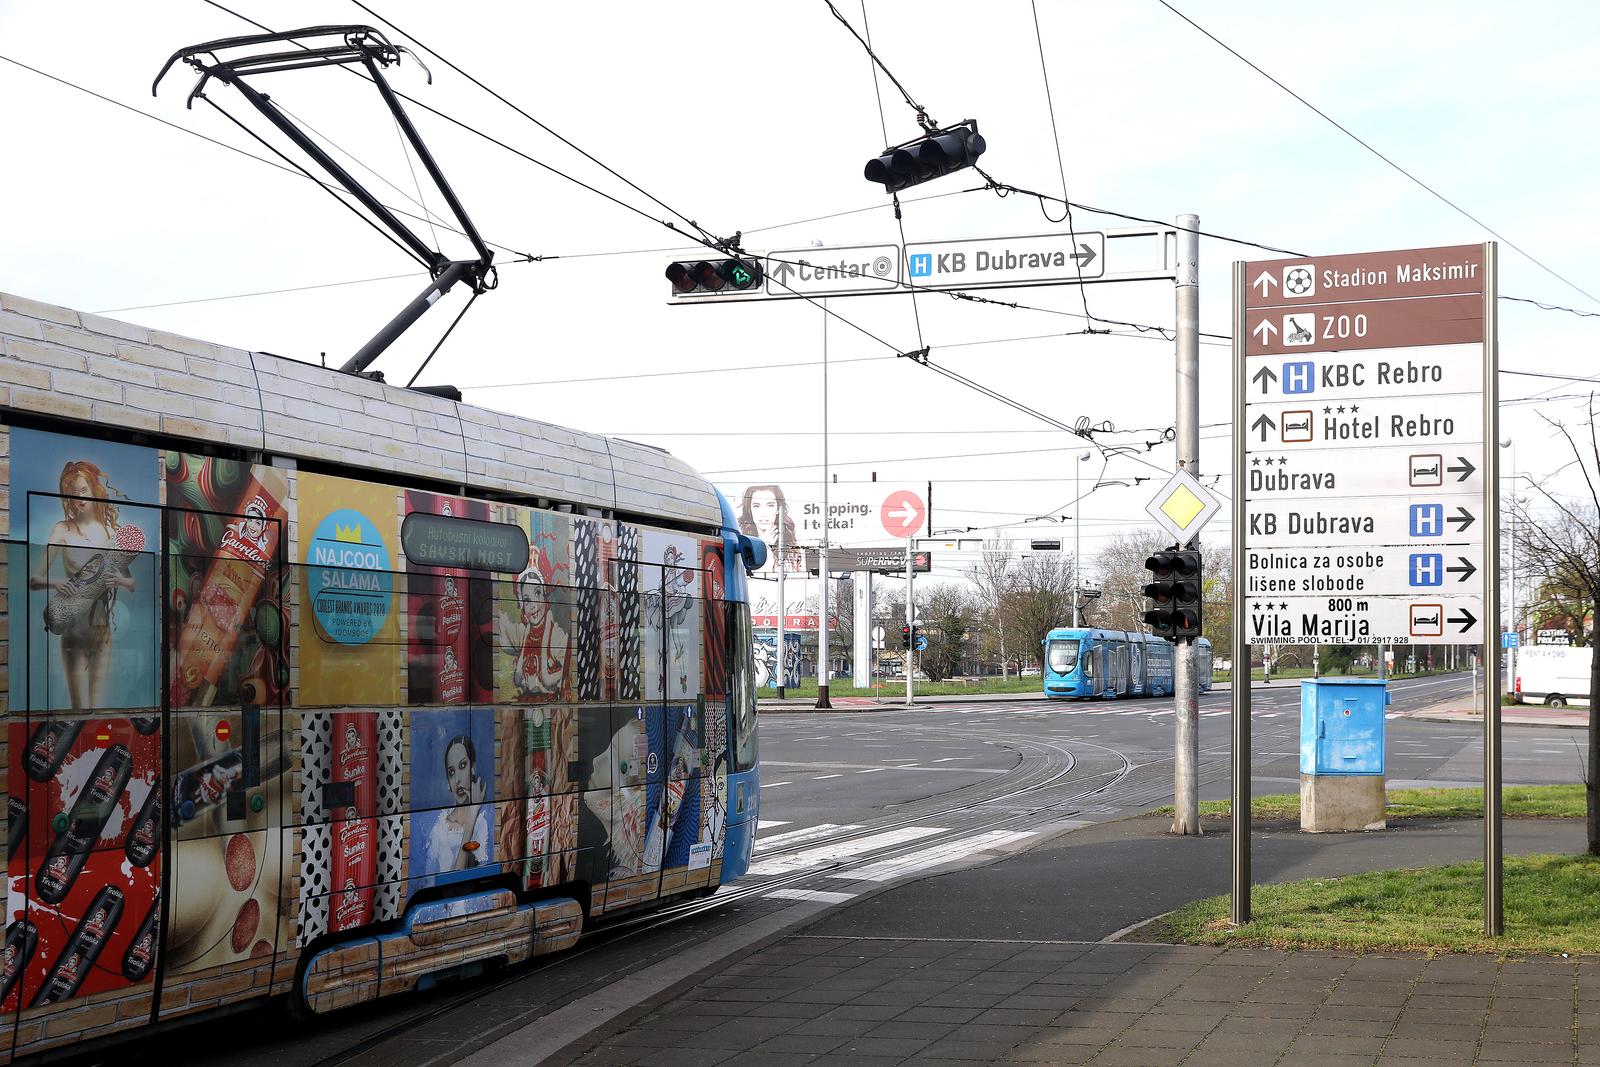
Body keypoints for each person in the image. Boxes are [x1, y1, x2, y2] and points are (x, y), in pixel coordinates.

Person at [29, 461, 136, 711]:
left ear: (94, 489)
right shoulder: (62, 529)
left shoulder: (109, 532)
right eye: (74, 493)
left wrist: (118, 580)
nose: (80, 498)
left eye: (84, 490)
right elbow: (34, 580)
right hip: (73, 630)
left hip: (101, 630)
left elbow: (131, 582)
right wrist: (57, 583)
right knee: (79, 709)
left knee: (97, 709)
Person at [426, 732, 489, 872]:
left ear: (472, 769)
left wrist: (473, 812)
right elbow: (450, 880)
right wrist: (472, 813)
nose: (457, 780)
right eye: (451, 772)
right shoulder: (440, 829)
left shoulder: (482, 824)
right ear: (448, 783)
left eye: (462, 765)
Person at [736, 485, 801, 572]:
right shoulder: (741, 541)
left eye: (770, 505)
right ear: (750, 510)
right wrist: (764, 547)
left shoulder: (791, 546)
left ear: (778, 509)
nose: (763, 513)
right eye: (756, 506)